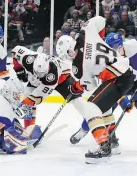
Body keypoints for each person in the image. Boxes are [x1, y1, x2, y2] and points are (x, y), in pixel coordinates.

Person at [57, 16, 135, 163]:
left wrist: (74, 88)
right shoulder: (87, 34)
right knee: (103, 109)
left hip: (118, 77)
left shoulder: (78, 67)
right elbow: (100, 20)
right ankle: (112, 141)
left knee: (90, 108)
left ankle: (103, 146)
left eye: (66, 55)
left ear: (68, 50)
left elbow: (87, 85)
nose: (69, 57)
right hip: (125, 74)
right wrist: (97, 35)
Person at [70, 32, 137, 152]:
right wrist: (121, 99)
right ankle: (86, 130)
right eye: (110, 48)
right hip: (121, 82)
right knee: (102, 107)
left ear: (121, 45)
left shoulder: (133, 47)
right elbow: (108, 85)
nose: (113, 50)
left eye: (115, 47)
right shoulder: (108, 58)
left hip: (132, 82)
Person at [12, 41, 87, 129]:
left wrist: (21, 106)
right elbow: (15, 51)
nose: (40, 75)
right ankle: (29, 129)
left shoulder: (52, 77)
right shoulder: (28, 58)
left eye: (42, 73)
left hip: (62, 78)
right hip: (36, 80)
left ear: (47, 68)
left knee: (76, 99)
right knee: (27, 98)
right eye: (38, 73)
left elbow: (36, 98)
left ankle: (90, 120)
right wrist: (19, 70)